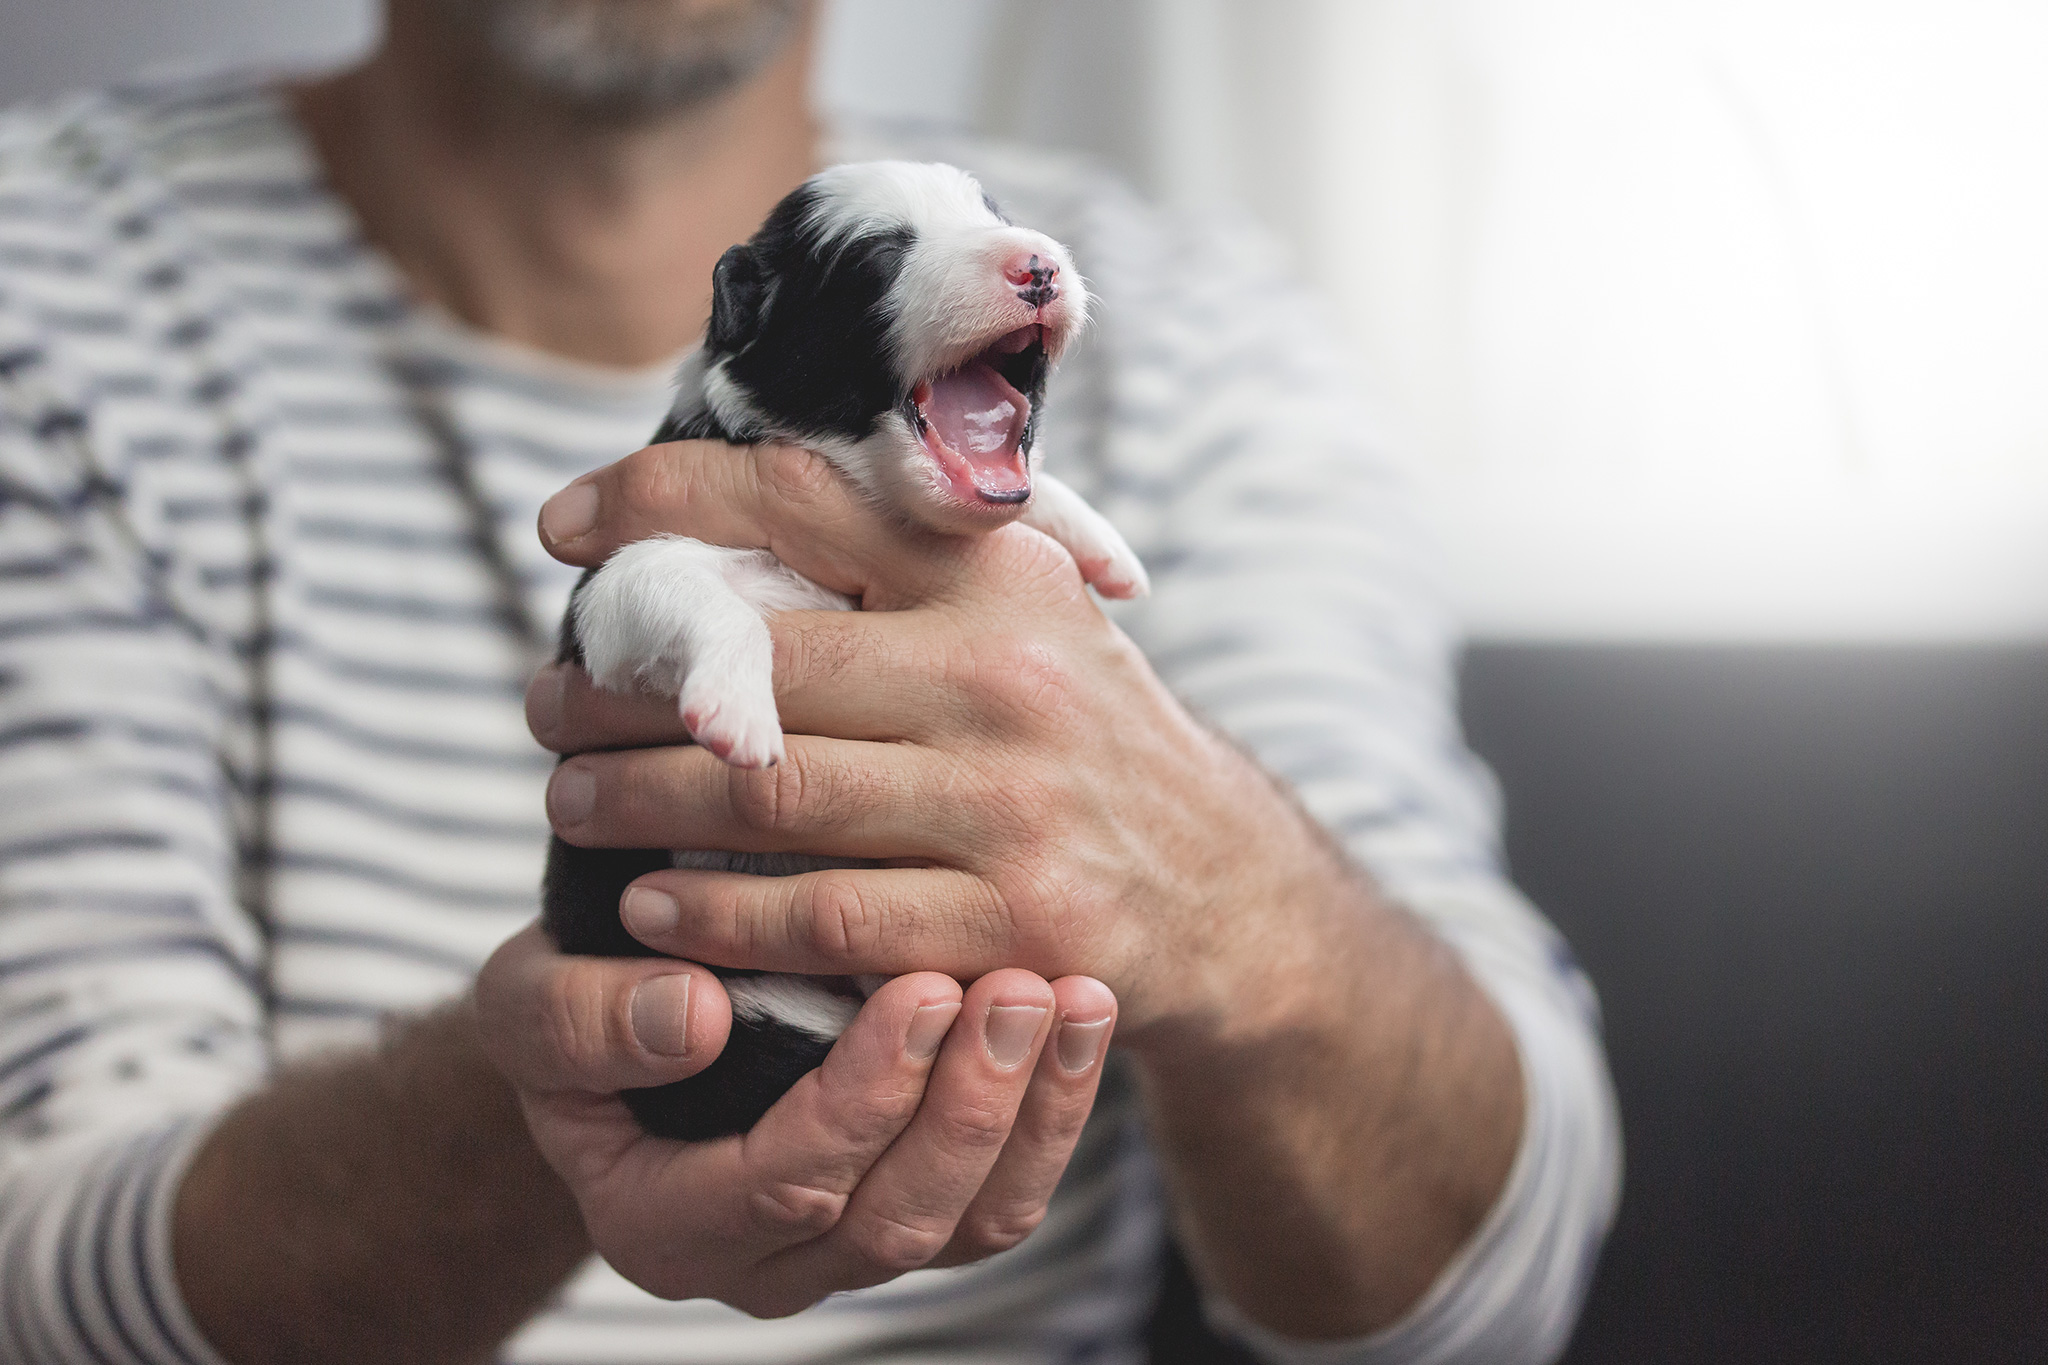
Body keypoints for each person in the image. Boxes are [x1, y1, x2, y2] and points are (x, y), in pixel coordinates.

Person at [0, 1, 1620, 1361]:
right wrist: (574, 1073)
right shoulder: (40, 291)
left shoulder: (1209, 332)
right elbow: (39, 1281)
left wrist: (1226, 897)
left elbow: (1495, 1277)